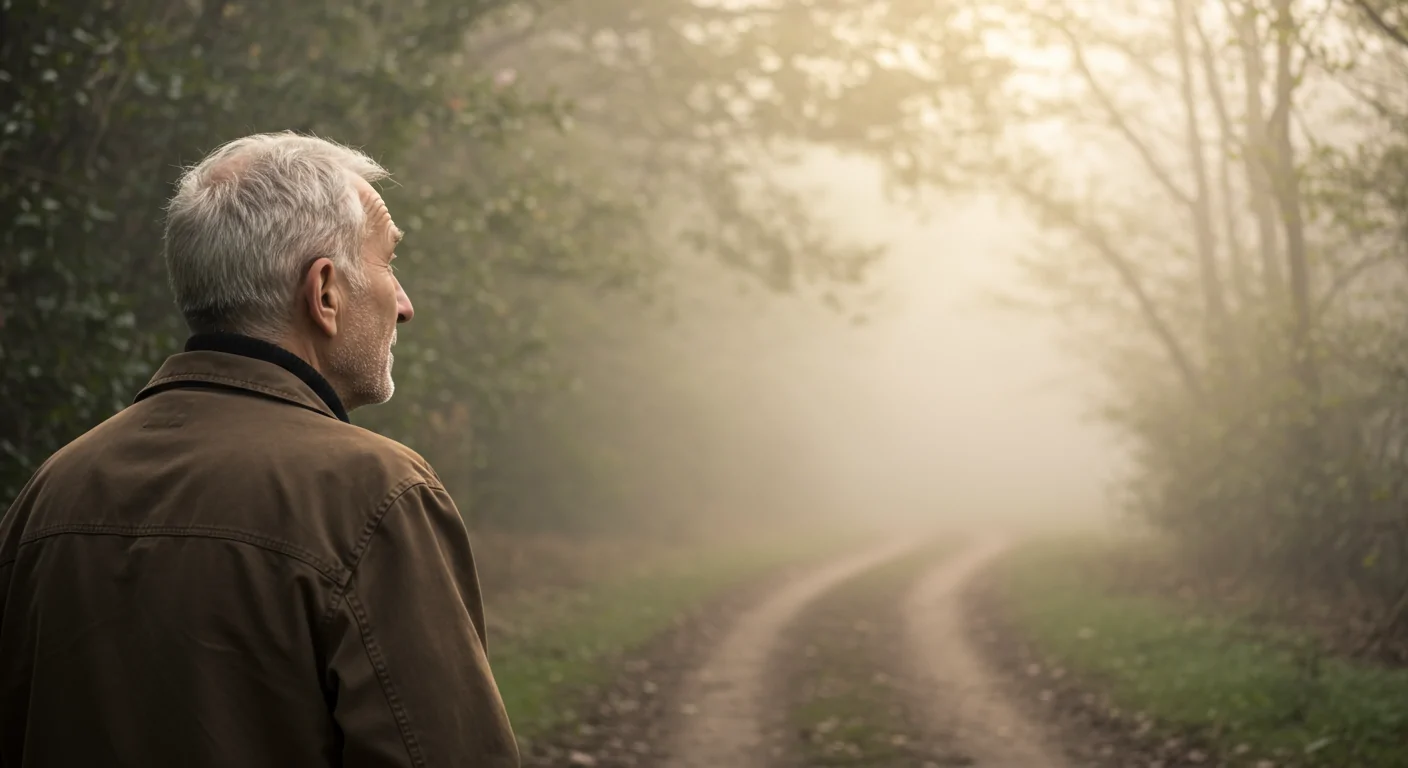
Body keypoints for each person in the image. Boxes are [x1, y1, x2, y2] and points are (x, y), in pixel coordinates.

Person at [0, 132, 520, 767]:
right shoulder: (374, 492)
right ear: (324, 292)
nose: (405, 305)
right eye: (388, 263)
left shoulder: (52, 489)